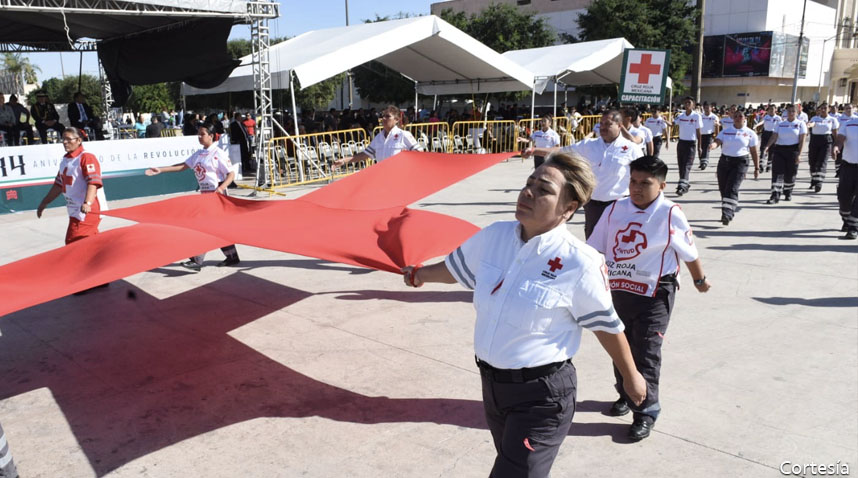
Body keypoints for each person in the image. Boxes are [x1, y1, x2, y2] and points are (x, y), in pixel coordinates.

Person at [402, 152, 647, 476]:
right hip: (493, 388)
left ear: (568, 208)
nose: (528, 192)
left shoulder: (580, 262)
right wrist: (418, 275)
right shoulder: (495, 236)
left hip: (543, 397)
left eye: (543, 189)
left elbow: (606, 325)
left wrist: (631, 377)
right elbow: (453, 269)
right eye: (528, 183)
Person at [587, 155, 711, 442]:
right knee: (622, 346)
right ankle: (626, 394)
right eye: (633, 181)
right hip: (619, 290)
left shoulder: (669, 213)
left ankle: (645, 411)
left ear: (662, 185)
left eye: (645, 183)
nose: (637, 188)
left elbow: (689, 252)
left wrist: (699, 280)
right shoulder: (615, 209)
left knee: (646, 351)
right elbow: (594, 248)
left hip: (655, 293)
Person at [525, 110, 643, 239]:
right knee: (592, 239)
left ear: (620, 125)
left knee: (617, 240)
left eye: (607, 124)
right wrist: (534, 150)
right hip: (593, 205)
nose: (602, 127)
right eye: (601, 123)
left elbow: (641, 177)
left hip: (618, 205)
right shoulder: (589, 145)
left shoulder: (632, 149)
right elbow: (561, 151)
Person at [145, 124, 241, 269]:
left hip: (217, 196)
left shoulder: (218, 153)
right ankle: (231, 257)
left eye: (202, 134)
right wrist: (161, 170)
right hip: (204, 196)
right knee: (216, 228)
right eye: (198, 134)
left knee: (203, 227)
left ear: (211, 136)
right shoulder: (199, 154)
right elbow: (183, 166)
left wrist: (221, 188)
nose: (199, 136)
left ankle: (197, 260)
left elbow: (231, 173)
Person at [36, 127, 109, 244]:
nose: (65, 142)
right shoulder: (65, 160)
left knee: (73, 243)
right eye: (63, 139)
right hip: (74, 210)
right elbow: (58, 185)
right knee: (89, 244)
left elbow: (93, 182)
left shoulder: (86, 157)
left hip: (87, 211)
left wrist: (87, 203)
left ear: (79, 140)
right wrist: (44, 202)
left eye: (68, 139)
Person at [710, 109, 760, 225]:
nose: (738, 118)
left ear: (745, 119)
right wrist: (713, 145)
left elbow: (754, 152)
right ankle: (729, 210)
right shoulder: (726, 131)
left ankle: (726, 214)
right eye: (736, 116)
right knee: (723, 189)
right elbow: (718, 140)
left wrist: (757, 168)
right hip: (724, 161)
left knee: (732, 188)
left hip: (740, 162)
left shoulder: (750, 133)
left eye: (740, 116)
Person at [333, 105, 421, 169]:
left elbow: (419, 153)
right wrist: (344, 160)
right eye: (383, 116)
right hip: (382, 178)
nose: (384, 119)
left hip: (400, 178)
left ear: (396, 120)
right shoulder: (378, 137)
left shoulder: (404, 135)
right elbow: (364, 155)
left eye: (388, 116)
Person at [762, 104, 807, 204]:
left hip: (793, 150)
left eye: (793, 111)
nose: (791, 113)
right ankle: (775, 195)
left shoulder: (800, 124)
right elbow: (774, 136)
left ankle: (788, 192)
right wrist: (767, 146)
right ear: (786, 112)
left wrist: (799, 154)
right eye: (789, 111)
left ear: (796, 113)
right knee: (777, 173)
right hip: (779, 150)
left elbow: (802, 140)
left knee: (790, 173)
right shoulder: (780, 124)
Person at [832, 117, 858, 239]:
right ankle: (847, 220)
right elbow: (840, 139)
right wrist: (836, 147)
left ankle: (853, 227)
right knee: (843, 197)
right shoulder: (848, 124)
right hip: (848, 166)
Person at [806, 103, 839, 193]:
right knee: (812, 162)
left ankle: (819, 182)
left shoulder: (832, 120)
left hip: (826, 142)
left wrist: (835, 146)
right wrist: (809, 125)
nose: (823, 110)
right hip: (815, 141)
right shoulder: (815, 118)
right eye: (822, 108)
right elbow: (811, 124)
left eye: (825, 108)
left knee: (822, 162)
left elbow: (835, 134)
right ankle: (814, 179)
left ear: (829, 109)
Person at [674, 97, 703, 196]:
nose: (687, 104)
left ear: (693, 105)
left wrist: (699, 146)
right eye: (685, 102)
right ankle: (685, 183)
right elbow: (673, 124)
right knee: (681, 165)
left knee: (687, 165)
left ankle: (681, 186)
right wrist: (665, 121)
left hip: (691, 144)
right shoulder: (680, 116)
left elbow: (699, 132)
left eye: (689, 102)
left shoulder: (696, 116)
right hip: (681, 143)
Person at [753, 104, 781, 173]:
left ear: (775, 110)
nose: (771, 110)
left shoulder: (778, 118)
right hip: (766, 133)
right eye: (770, 109)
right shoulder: (766, 117)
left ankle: (769, 165)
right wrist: (756, 125)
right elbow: (762, 122)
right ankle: (761, 164)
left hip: (773, 134)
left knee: (772, 150)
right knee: (763, 148)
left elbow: (781, 126)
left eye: (773, 109)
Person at [698, 102, 719, 170]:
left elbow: (717, 126)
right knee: (701, 148)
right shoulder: (700, 116)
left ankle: (704, 162)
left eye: (708, 108)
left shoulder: (714, 117)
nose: (707, 109)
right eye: (705, 108)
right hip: (701, 135)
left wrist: (717, 136)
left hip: (709, 135)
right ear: (703, 108)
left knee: (707, 148)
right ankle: (702, 162)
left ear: (711, 108)